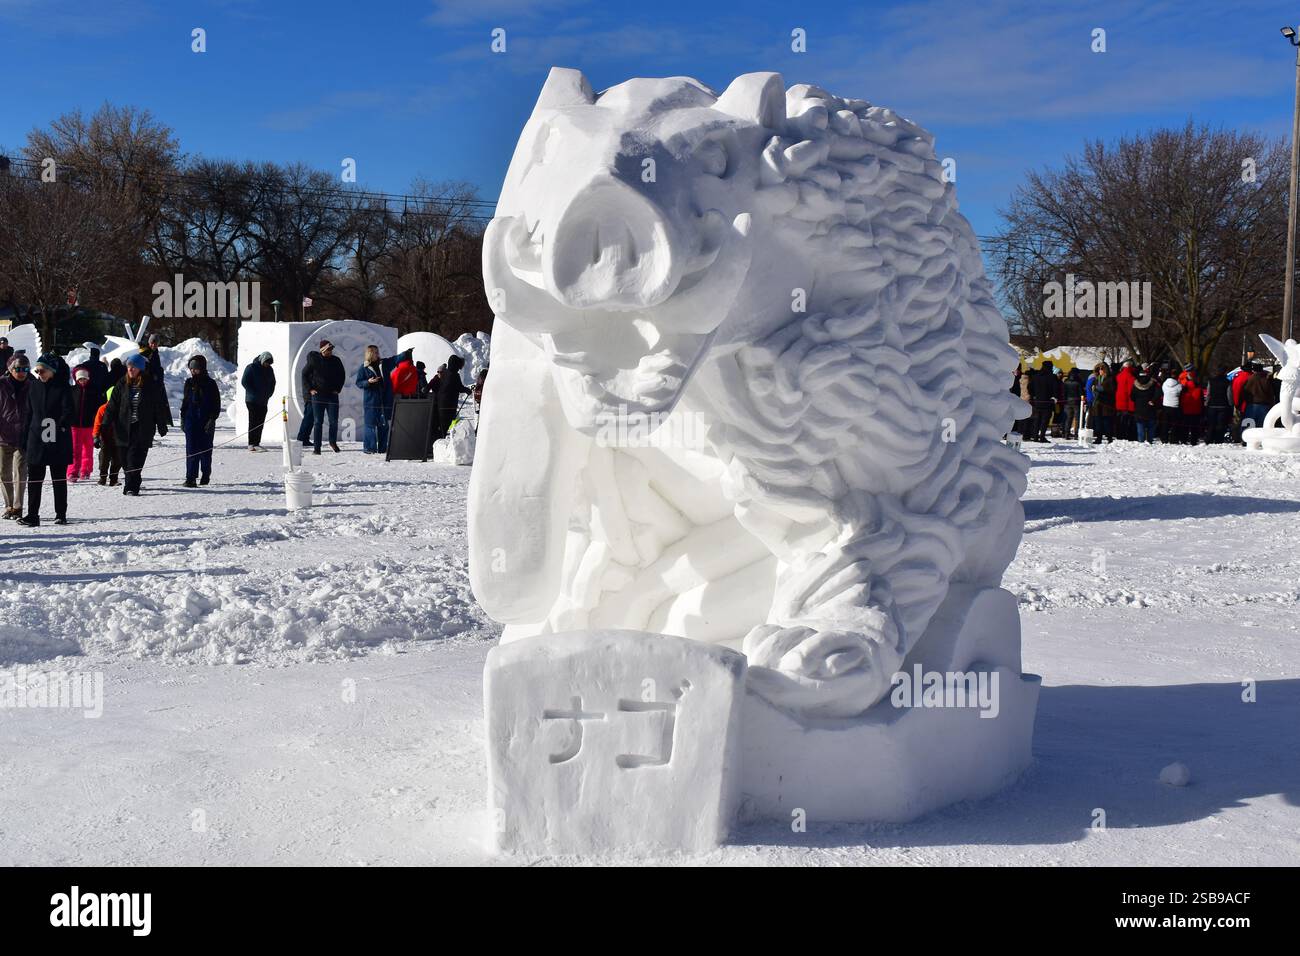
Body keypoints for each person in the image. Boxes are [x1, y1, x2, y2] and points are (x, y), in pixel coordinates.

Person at [18, 353, 74, 526]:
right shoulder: (33, 387)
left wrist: (60, 425)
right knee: (34, 478)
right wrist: (24, 438)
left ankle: (61, 514)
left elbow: (69, 411)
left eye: (42, 370)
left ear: (51, 371)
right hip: (36, 439)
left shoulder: (63, 387)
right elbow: (28, 413)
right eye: (37, 370)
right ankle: (32, 515)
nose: (39, 373)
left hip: (58, 440)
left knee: (58, 478)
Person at [105, 353, 170, 496]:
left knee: (134, 458)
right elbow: (112, 406)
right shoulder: (122, 383)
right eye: (128, 366)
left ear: (140, 368)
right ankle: (134, 481)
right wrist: (105, 423)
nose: (130, 369)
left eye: (133, 367)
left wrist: (161, 424)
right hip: (123, 427)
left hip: (142, 428)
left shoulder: (149, 384)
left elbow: (158, 406)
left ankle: (131, 487)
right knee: (124, 459)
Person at [180, 355, 221, 487]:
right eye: (191, 369)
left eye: (196, 369)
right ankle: (190, 478)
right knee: (191, 449)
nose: (193, 371)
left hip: (205, 421)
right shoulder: (189, 383)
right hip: (191, 420)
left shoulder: (210, 384)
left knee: (205, 449)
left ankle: (206, 474)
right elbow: (185, 402)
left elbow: (216, 404)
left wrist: (212, 419)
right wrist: (183, 418)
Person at [0, 354, 31, 519]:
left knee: (20, 471)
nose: (22, 372)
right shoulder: (1, 385)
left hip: (23, 437)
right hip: (3, 436)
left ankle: (18, 507)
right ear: (10, 369)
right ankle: (9, 505)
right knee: (3, 473)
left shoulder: (32, 386)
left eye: (25, 369)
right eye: (18, 369)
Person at [356, 345, 397, 454]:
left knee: (384, 425)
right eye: (375, 352)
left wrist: (405, 355)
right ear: (370, 353)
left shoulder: (382, 364)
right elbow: (358, 383)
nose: (377, 354)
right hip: (371, 401)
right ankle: (369, 448)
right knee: (370, 425)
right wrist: (368, 382)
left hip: (383, 400)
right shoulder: (363, 367)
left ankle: (383, 448)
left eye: (377, 352)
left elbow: (394, 360)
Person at [308, 338, 345, 454]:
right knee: (318, 421)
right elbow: (304, 375)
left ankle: (332, 442)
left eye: (331, 349)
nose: (330, 352)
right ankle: (317, 447)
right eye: (328, 350)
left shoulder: (336, 360)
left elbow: (342, 375)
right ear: (322, 350)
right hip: (318, 396)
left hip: (332, 396)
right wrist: (310, 389)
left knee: (333, 421)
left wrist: (338, 389)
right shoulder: (314, 360)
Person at [66, 367, 99, 482]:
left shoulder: (93, 391)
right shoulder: (72, 390)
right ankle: (72, 472)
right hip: (74, 425)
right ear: (76, 379)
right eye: (80, 379)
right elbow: (68, 407)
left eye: (84, 379)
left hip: (89, 425)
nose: (82, 381)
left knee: (88, 449)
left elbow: (97, 407)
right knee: (75, 450)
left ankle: (85, 470)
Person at [241, 351, 276, 452]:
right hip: (252, 400)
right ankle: (251, 443)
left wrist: (269, 394)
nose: (267, 365)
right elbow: (245, 382)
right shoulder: (251, 368)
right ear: (262, 360)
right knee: (253, 421)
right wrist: (254, 392)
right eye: (266, 362)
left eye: (269, 363)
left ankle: (257, 443)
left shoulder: (269, 370)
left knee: (260, 422)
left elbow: (273, 383)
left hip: (263, 400)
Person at [433, 354, 472, 442]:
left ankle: (438, 442)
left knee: (442, 425)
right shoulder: (454, 375)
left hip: (441, 403)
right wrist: (467, 390)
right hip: (449, 405)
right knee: (445, 425)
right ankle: (440, 444)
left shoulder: (445, 373)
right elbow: (458, 387)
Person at [93, 388, 120, 486]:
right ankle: (102, 477)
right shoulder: (102, 409)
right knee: (104, 458)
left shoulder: (122, 408)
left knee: (117, 459)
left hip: (118, 438)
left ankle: (114, 479)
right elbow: (97, 424)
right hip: (105, 438)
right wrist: (96, 436)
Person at [1027, 360, 1057, 441]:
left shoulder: (1035, 376)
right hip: (1047, 402)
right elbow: (1055, 389)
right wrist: (1054, 397)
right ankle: (1042, 436)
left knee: (1037, 419)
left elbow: (1029, 387)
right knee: (1045, 420)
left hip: (1037, 401)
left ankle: (1035, 436)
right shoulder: (1052, 377)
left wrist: (1033, 396)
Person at [296, 350, 320, 444]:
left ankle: (305, 438)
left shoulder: (312, 368)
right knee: (308, 417)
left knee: (311, 418)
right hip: (310, 396)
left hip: (311, 396)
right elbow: (306, 383)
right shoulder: (308, 369)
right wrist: (311, 390)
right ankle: (302, 437)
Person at [1204, 366, 1232, 445]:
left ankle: (1209, 438)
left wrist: (1206, 404)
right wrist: (1230, 405)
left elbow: (1208, 394)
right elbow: (1229, 395)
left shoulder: (1211, 381)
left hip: (1212, 405)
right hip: (1223, 405)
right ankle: (1218, 439)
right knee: (1221, 424)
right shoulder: (1227, 382)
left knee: (1211, 423)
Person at [1241, 365, 1274, 432]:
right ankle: (1259, 440)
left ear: (1253, 370)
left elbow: (1244, 392)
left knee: (1248, 424)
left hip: (1251, 404)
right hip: (1264, 405)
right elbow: (1270, 393)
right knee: (1261, 426)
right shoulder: (1266, 379)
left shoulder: (1249, 379)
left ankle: (1246, 439)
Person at [1130, 369, 1159, 443]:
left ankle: (1141, 442)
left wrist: (1137, 401)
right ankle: (1150, 441)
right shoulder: (1153, 383)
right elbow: (1158, 393)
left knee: (1140, 426)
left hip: (1139, 408)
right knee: (1151, 426)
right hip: (1150, 407)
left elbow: (1132, 396)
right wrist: (1153, 400)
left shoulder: (1135, 384)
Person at [1177, 365, 1204, 444]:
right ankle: (1193, 441)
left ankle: (1183, 440)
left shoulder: (1184, 389)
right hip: (1196, 411)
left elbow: (1181, 400)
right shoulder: (1199, 389)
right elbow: (1202, 401)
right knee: (1194, 428)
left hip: (1185, 410)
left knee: (1185, 427)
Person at [1091, 365, 1115, 443]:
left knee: (1106, 421)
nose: (1100, 371)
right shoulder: (1096, 379)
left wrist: (1101, 389)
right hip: (1097, 403)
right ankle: (1099, 438)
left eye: (1102, 370)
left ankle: (1109, 437)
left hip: (1106, 403)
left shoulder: (1110, 379)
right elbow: (1094, 388)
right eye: (1099, 370)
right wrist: (1094, 389)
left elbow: (1112, 390)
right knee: (1098, 421)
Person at [1114, 360, 1136, 441]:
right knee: (1126, 420)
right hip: (1126, 402)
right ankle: (1125, 435)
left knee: (1119, 419)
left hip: (1119, 401)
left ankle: (1119, 434)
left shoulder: (1119, 375)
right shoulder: (1130, 376)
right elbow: (1131, 391)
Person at [1159, 372, 1182, 443]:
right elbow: (1180, 392)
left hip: (1166, 406)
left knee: (1165, 424)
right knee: (1174, 424)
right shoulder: (1179, 386)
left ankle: (1164, 439)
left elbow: (1163, 391)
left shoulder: (1164, 384)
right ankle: (1174, 439)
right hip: (1175, 406)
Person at [1060, 368, 1082, 438]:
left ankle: (1066, 434)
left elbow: (1063, 392)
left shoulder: (1066, 382)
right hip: (1076, 402)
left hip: (1067, 402)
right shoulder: (1078, 382)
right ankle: (1076, 434)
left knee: (1068, 418)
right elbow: (1081, 393)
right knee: (1077, 419)